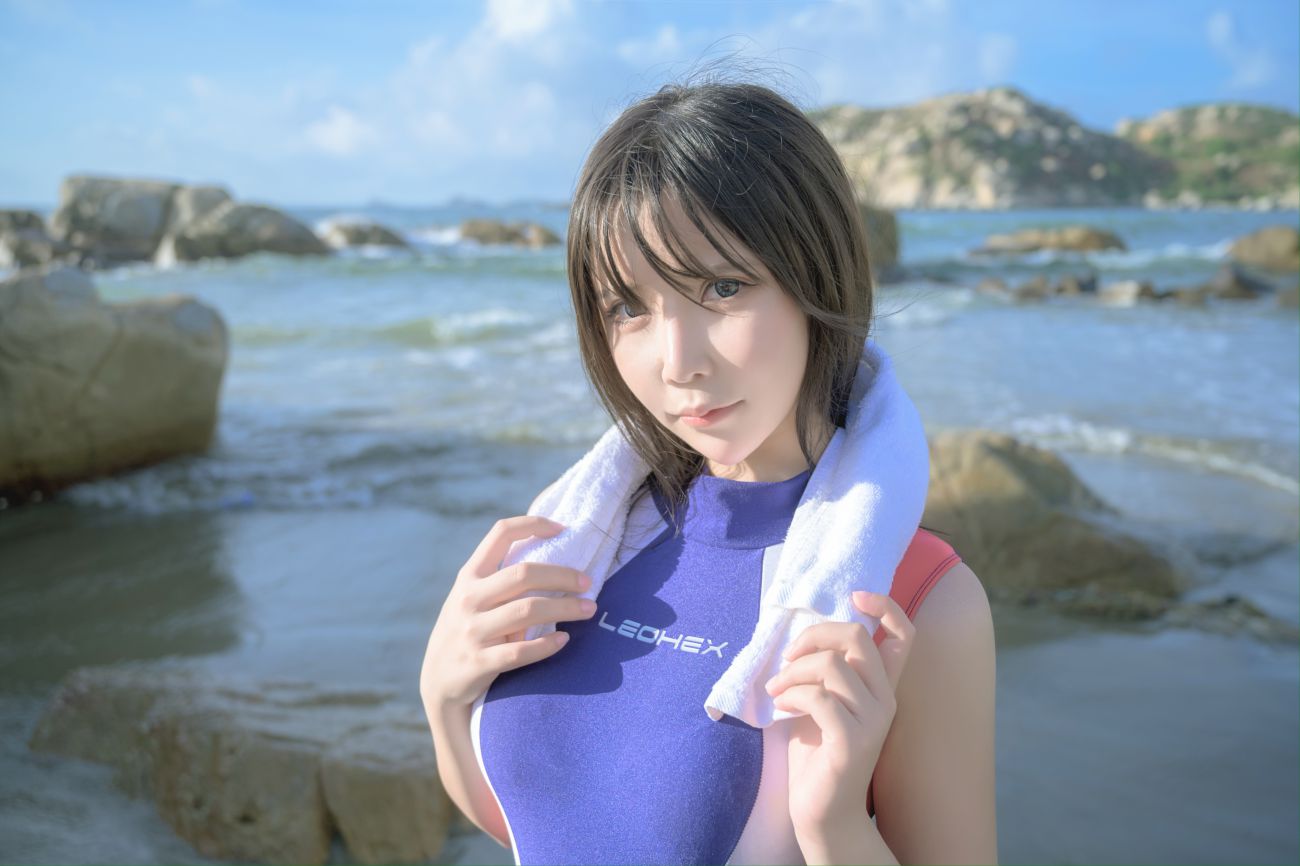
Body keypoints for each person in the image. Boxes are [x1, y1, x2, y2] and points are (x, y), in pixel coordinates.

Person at [420, 73, 998, 866]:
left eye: (722, 288)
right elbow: (539, 826)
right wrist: (443, 697)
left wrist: (834, 828)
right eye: (629, 307)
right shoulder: (586, 540)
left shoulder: (915, 601)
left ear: (815, 275)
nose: (677, 362)